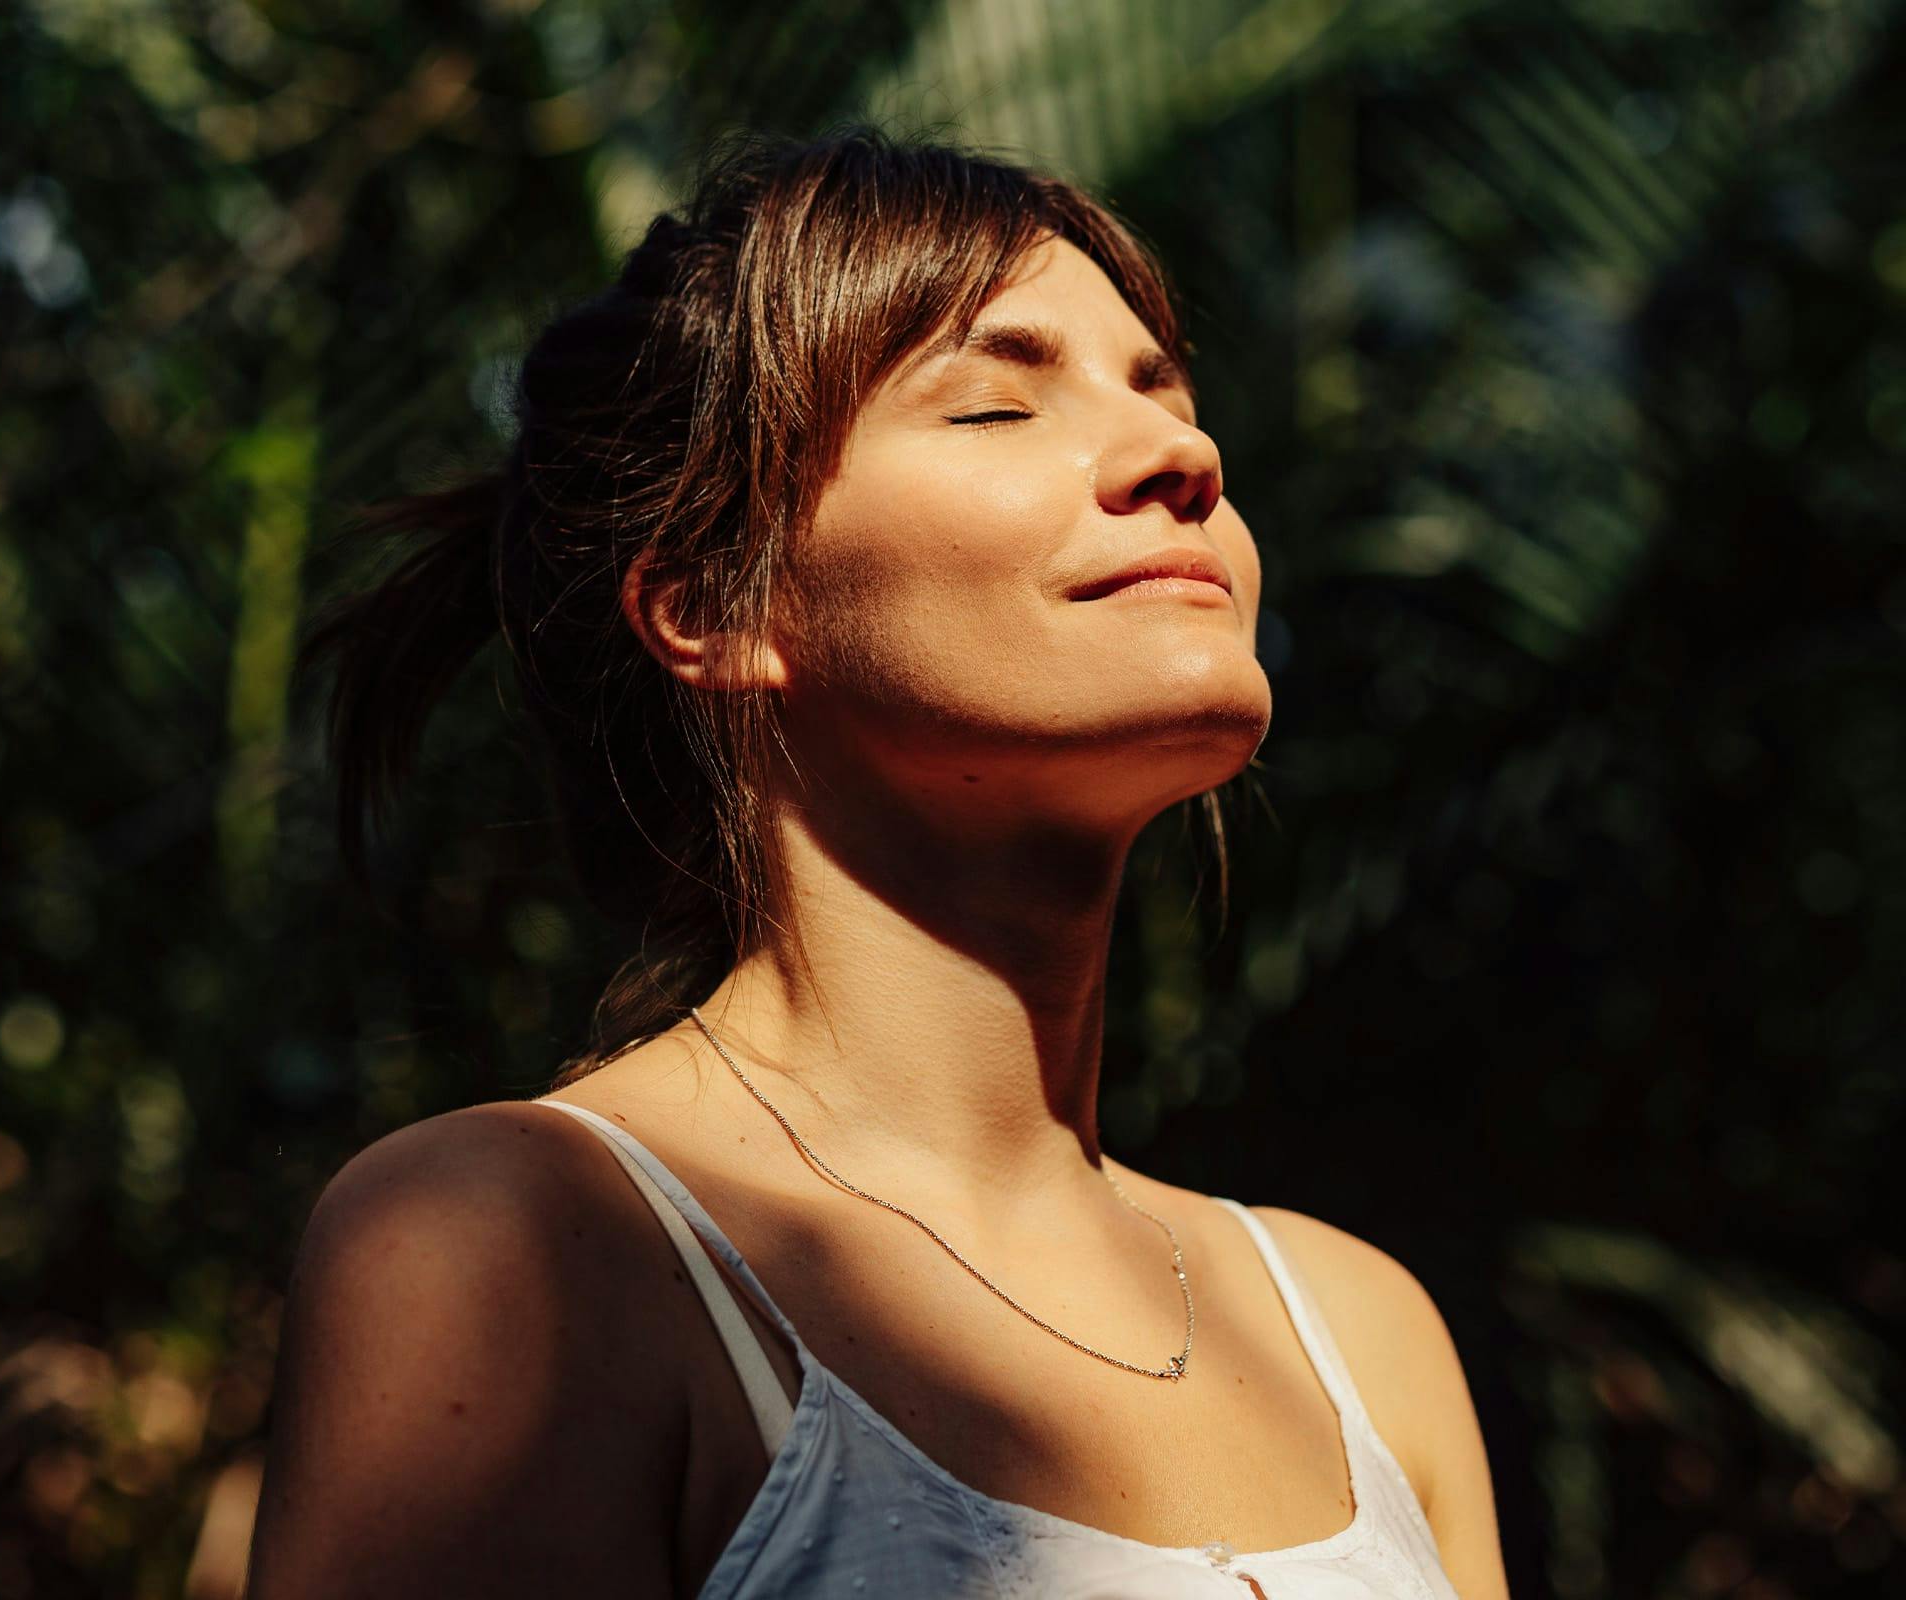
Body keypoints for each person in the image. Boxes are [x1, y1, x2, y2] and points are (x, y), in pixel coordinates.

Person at [245, 125, 1509, 1600]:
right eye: (992, 406)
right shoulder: (525, 1245)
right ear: (717, 607)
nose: (1187, 453)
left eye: (1162, 390)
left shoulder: (1361, 1336)